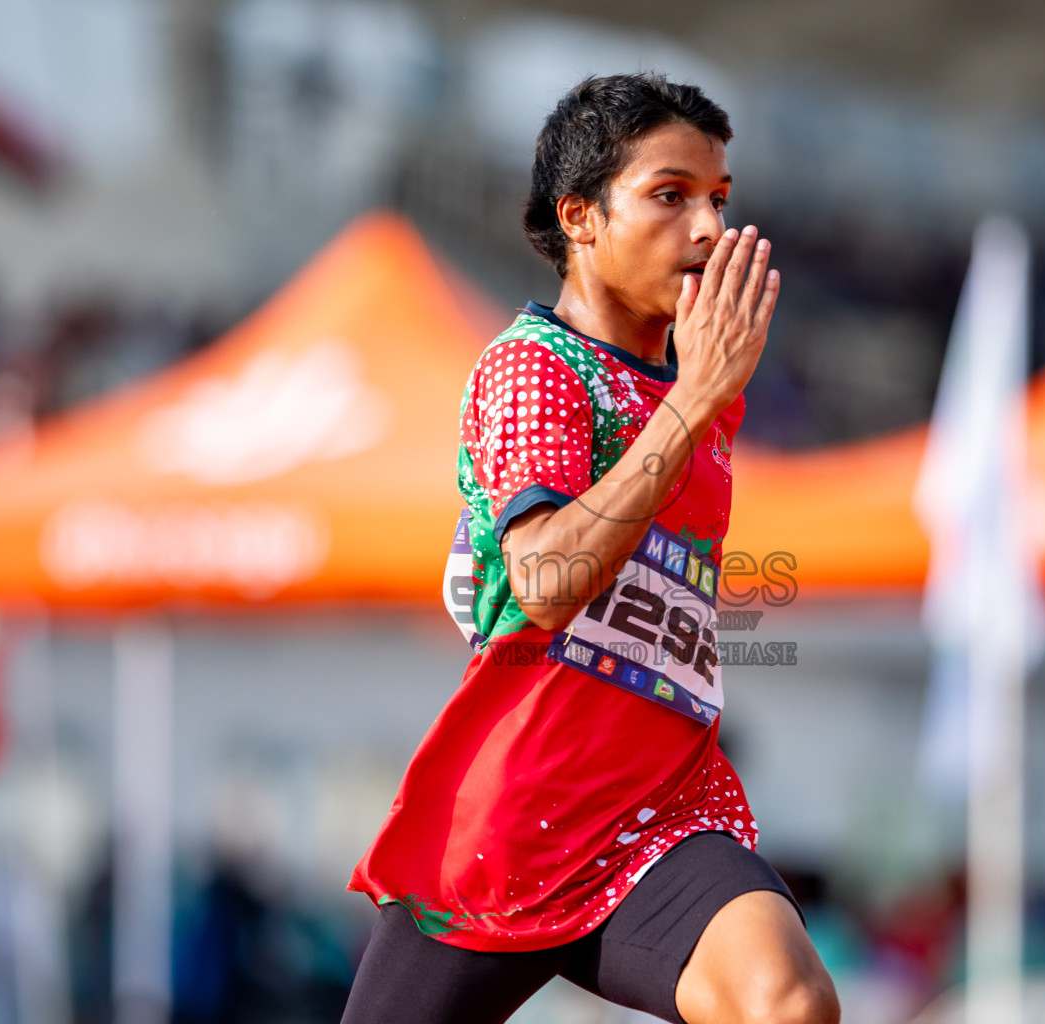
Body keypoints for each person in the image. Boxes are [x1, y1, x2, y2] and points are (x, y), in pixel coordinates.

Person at [341, 73, 839, 1024]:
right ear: (580, 217)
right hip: (510, 824)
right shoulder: (535, 365)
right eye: (669, 195)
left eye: (719, 200)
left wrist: (696, 396)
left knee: (787, 1003)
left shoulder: (703, 384)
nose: (705, 229)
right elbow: (545, 577)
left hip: (665, 811)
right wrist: (692, 403)